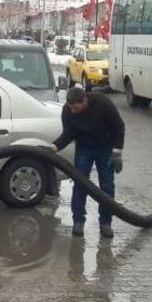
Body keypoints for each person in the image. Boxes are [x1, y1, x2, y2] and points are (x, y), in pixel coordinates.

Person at [49, 86, 125, 239]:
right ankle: (78, 221)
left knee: (107, 186)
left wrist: (117, 152)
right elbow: (68, 134)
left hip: (105, 147)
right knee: (80, 183)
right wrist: (53, 147)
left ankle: (105, 223)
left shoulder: (103, 103)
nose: (72, 111)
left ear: (85, 101)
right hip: (84, 148)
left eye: (75, 107)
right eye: (70, 107)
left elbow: (119, 127)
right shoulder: (68, 110)